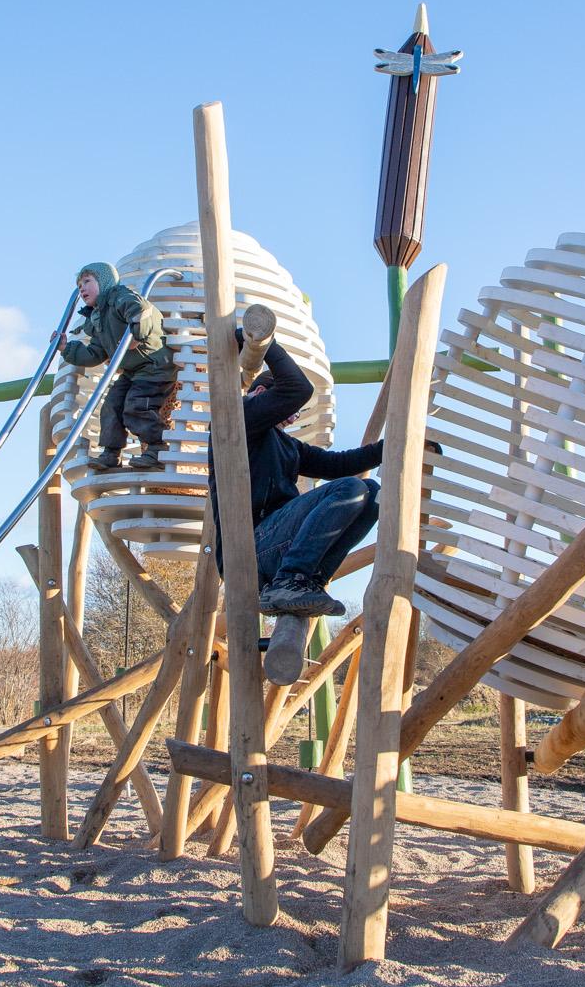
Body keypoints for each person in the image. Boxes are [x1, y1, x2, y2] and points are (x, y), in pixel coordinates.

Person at [218, 332, 388, 684]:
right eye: (289, 411)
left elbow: (339, 464)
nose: (293, 418)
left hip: (273, 545)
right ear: (261, 395)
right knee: (351, 489)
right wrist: (263, 344)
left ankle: (306, 580)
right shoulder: (240, 419)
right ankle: (292, 579)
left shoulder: (287, 446)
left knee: (372, 494)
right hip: (249, 549)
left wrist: (396, 444)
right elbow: (297, 388)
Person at [59, 260, 177, 471]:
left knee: (137, 406)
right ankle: (111, 453)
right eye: (79, 285)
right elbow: (96, 353)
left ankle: (157, 449)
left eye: (87, 281)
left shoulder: (119, 297)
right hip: (132, 371)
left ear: (104, 281)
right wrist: (66, 349)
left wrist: (137, 334)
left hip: (154, 365)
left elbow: (142, 310)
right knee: (111, 406)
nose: (82, 288)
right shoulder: (97, 318)